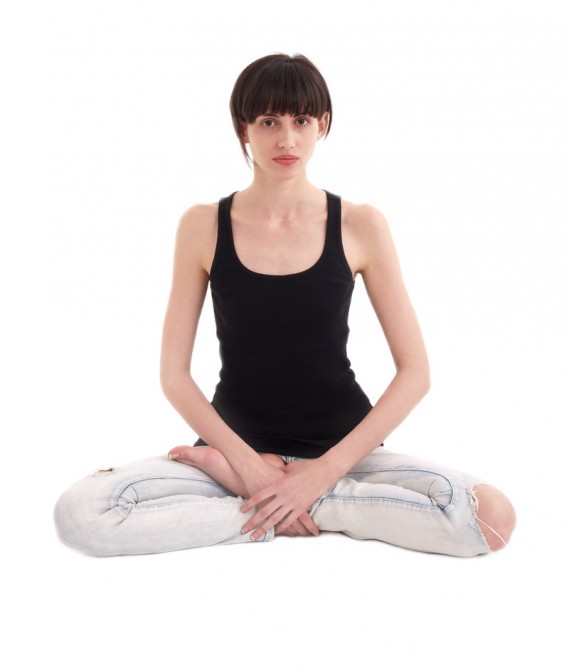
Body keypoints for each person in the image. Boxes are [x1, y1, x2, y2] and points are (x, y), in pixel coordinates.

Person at [54, 53, 516, 556]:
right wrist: (249, 469)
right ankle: (293, 505)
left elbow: (415, 374)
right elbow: (174, 377)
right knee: (82, 515)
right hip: (232, 451)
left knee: (490, 518)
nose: (287, 140)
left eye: (301, 121)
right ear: (243, 129)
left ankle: (296, 504)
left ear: (323, 125)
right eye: (269, 121)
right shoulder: (202, 225)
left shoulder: (360, 224)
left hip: (344, 454)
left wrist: (319, 475)